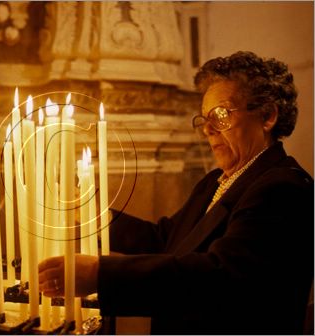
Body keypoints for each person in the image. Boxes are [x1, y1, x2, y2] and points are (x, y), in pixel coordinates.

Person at [38, 51, 314, 334]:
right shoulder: (217, 181)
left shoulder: (283, 188)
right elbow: (168, 239)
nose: (207, 129)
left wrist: (100, 274)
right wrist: (92, 216)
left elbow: (220, 277)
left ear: (267, 116)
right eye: (204, 119)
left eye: (220, 115)